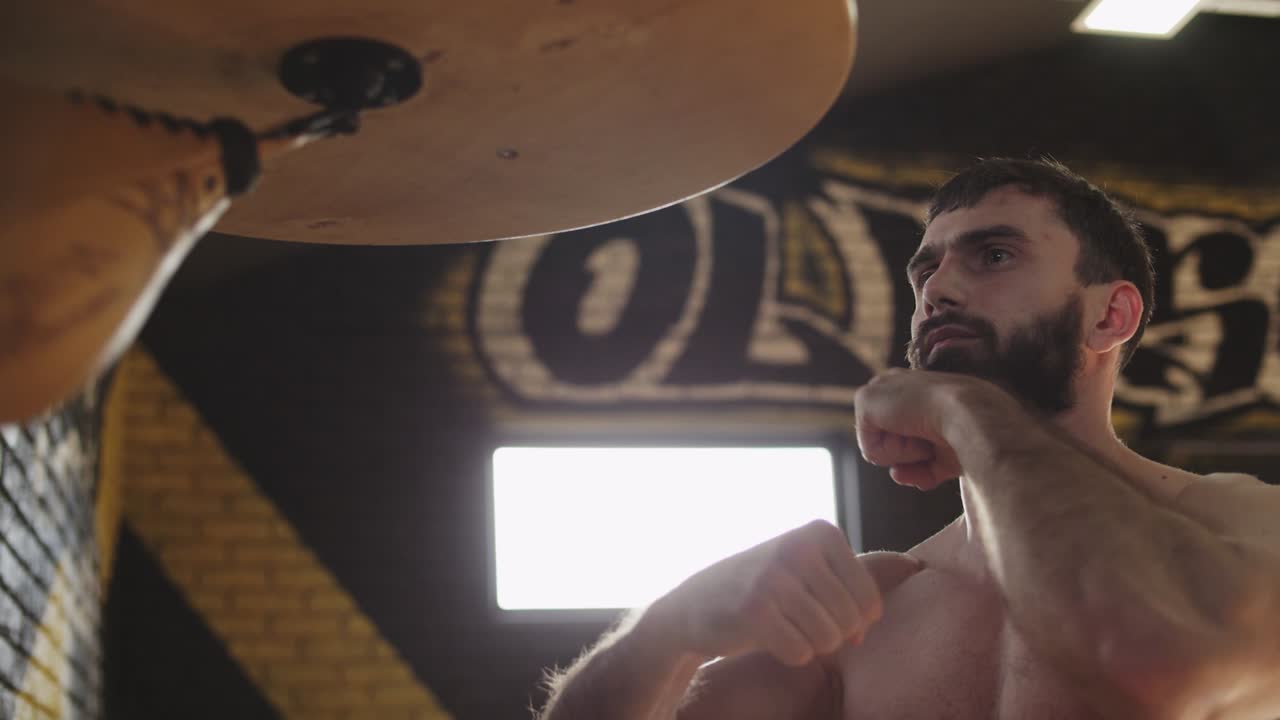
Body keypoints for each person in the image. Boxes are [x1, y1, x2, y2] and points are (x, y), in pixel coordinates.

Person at [535, 158, 1280, 719]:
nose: (939, 291)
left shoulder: (1241, 527)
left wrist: (963, 409)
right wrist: (673, 624)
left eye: (994, 256)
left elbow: (1149, 655)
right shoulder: (880, 602)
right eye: (927, 270)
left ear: (1111, 317)